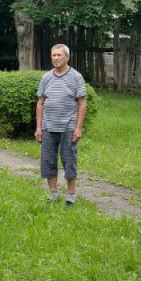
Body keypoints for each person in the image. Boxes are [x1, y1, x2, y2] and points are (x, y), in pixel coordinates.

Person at [34, 44, 87, 204]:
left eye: (59, 55)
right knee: (48, 160)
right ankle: (53, 194)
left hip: (68, 127)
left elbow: (82, 104)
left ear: (67, 57)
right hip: (48, 126)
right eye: (53, 55)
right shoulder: (46, 78)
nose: (56, 58)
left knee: (69, 160)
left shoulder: (76, 77)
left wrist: (78, 128)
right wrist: (38, 127)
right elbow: (40, 103)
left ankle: (70, 196)